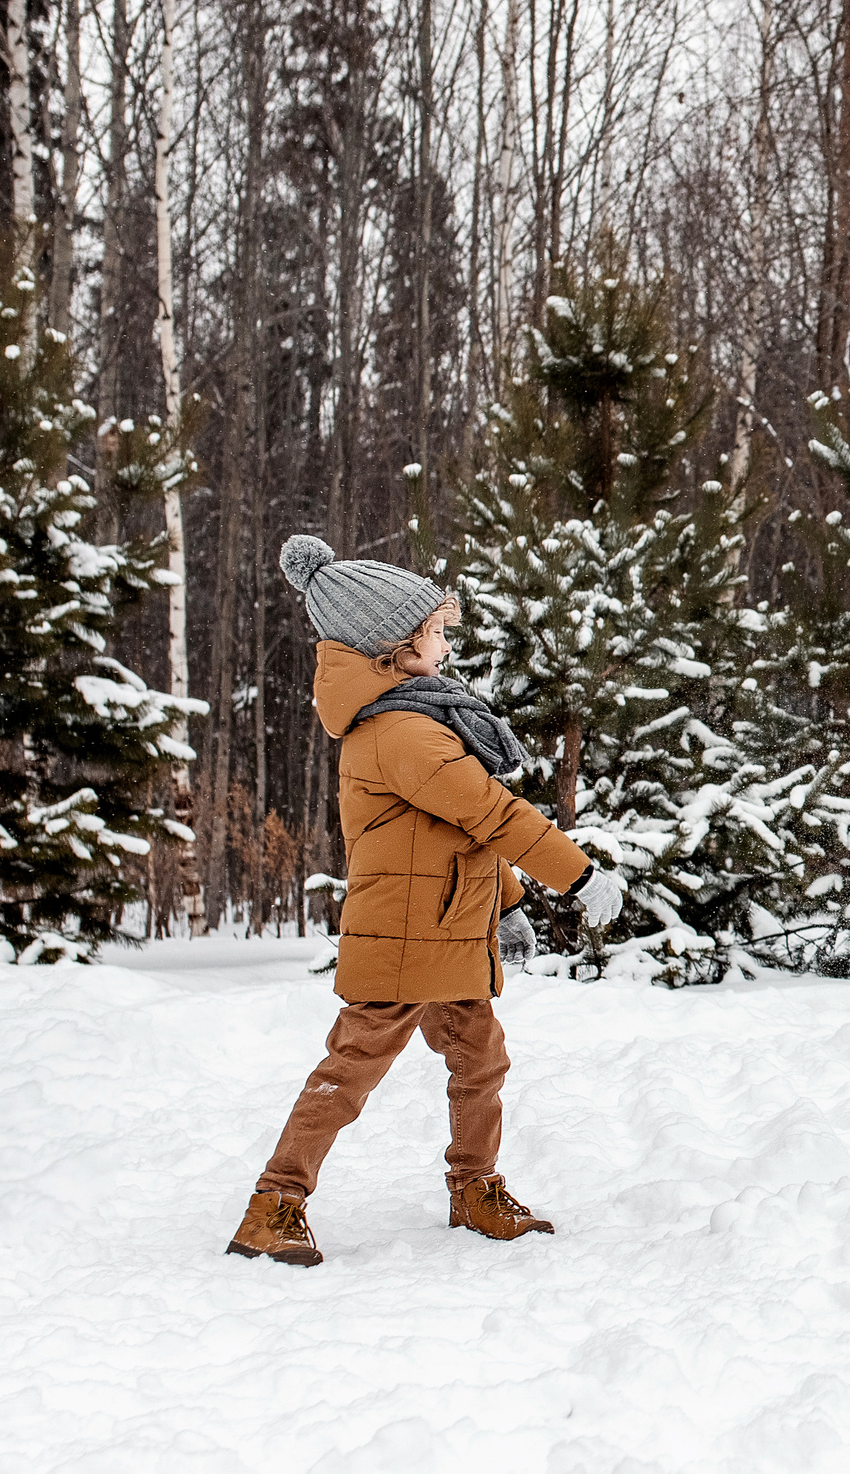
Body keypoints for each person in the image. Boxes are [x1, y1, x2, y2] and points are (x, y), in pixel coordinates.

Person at [225, 535, 625, 1266]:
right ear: (393, 650)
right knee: (350, 1072)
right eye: (436, 631)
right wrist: (578, 876)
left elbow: (459, 833)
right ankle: (273, 1204)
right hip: (406, 934)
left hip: (446, 926)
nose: (446, 645)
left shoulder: (414, 718)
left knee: (480, 1060)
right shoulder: (402, 733)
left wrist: (505, 903)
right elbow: (493, 813)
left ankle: (474, 1187)